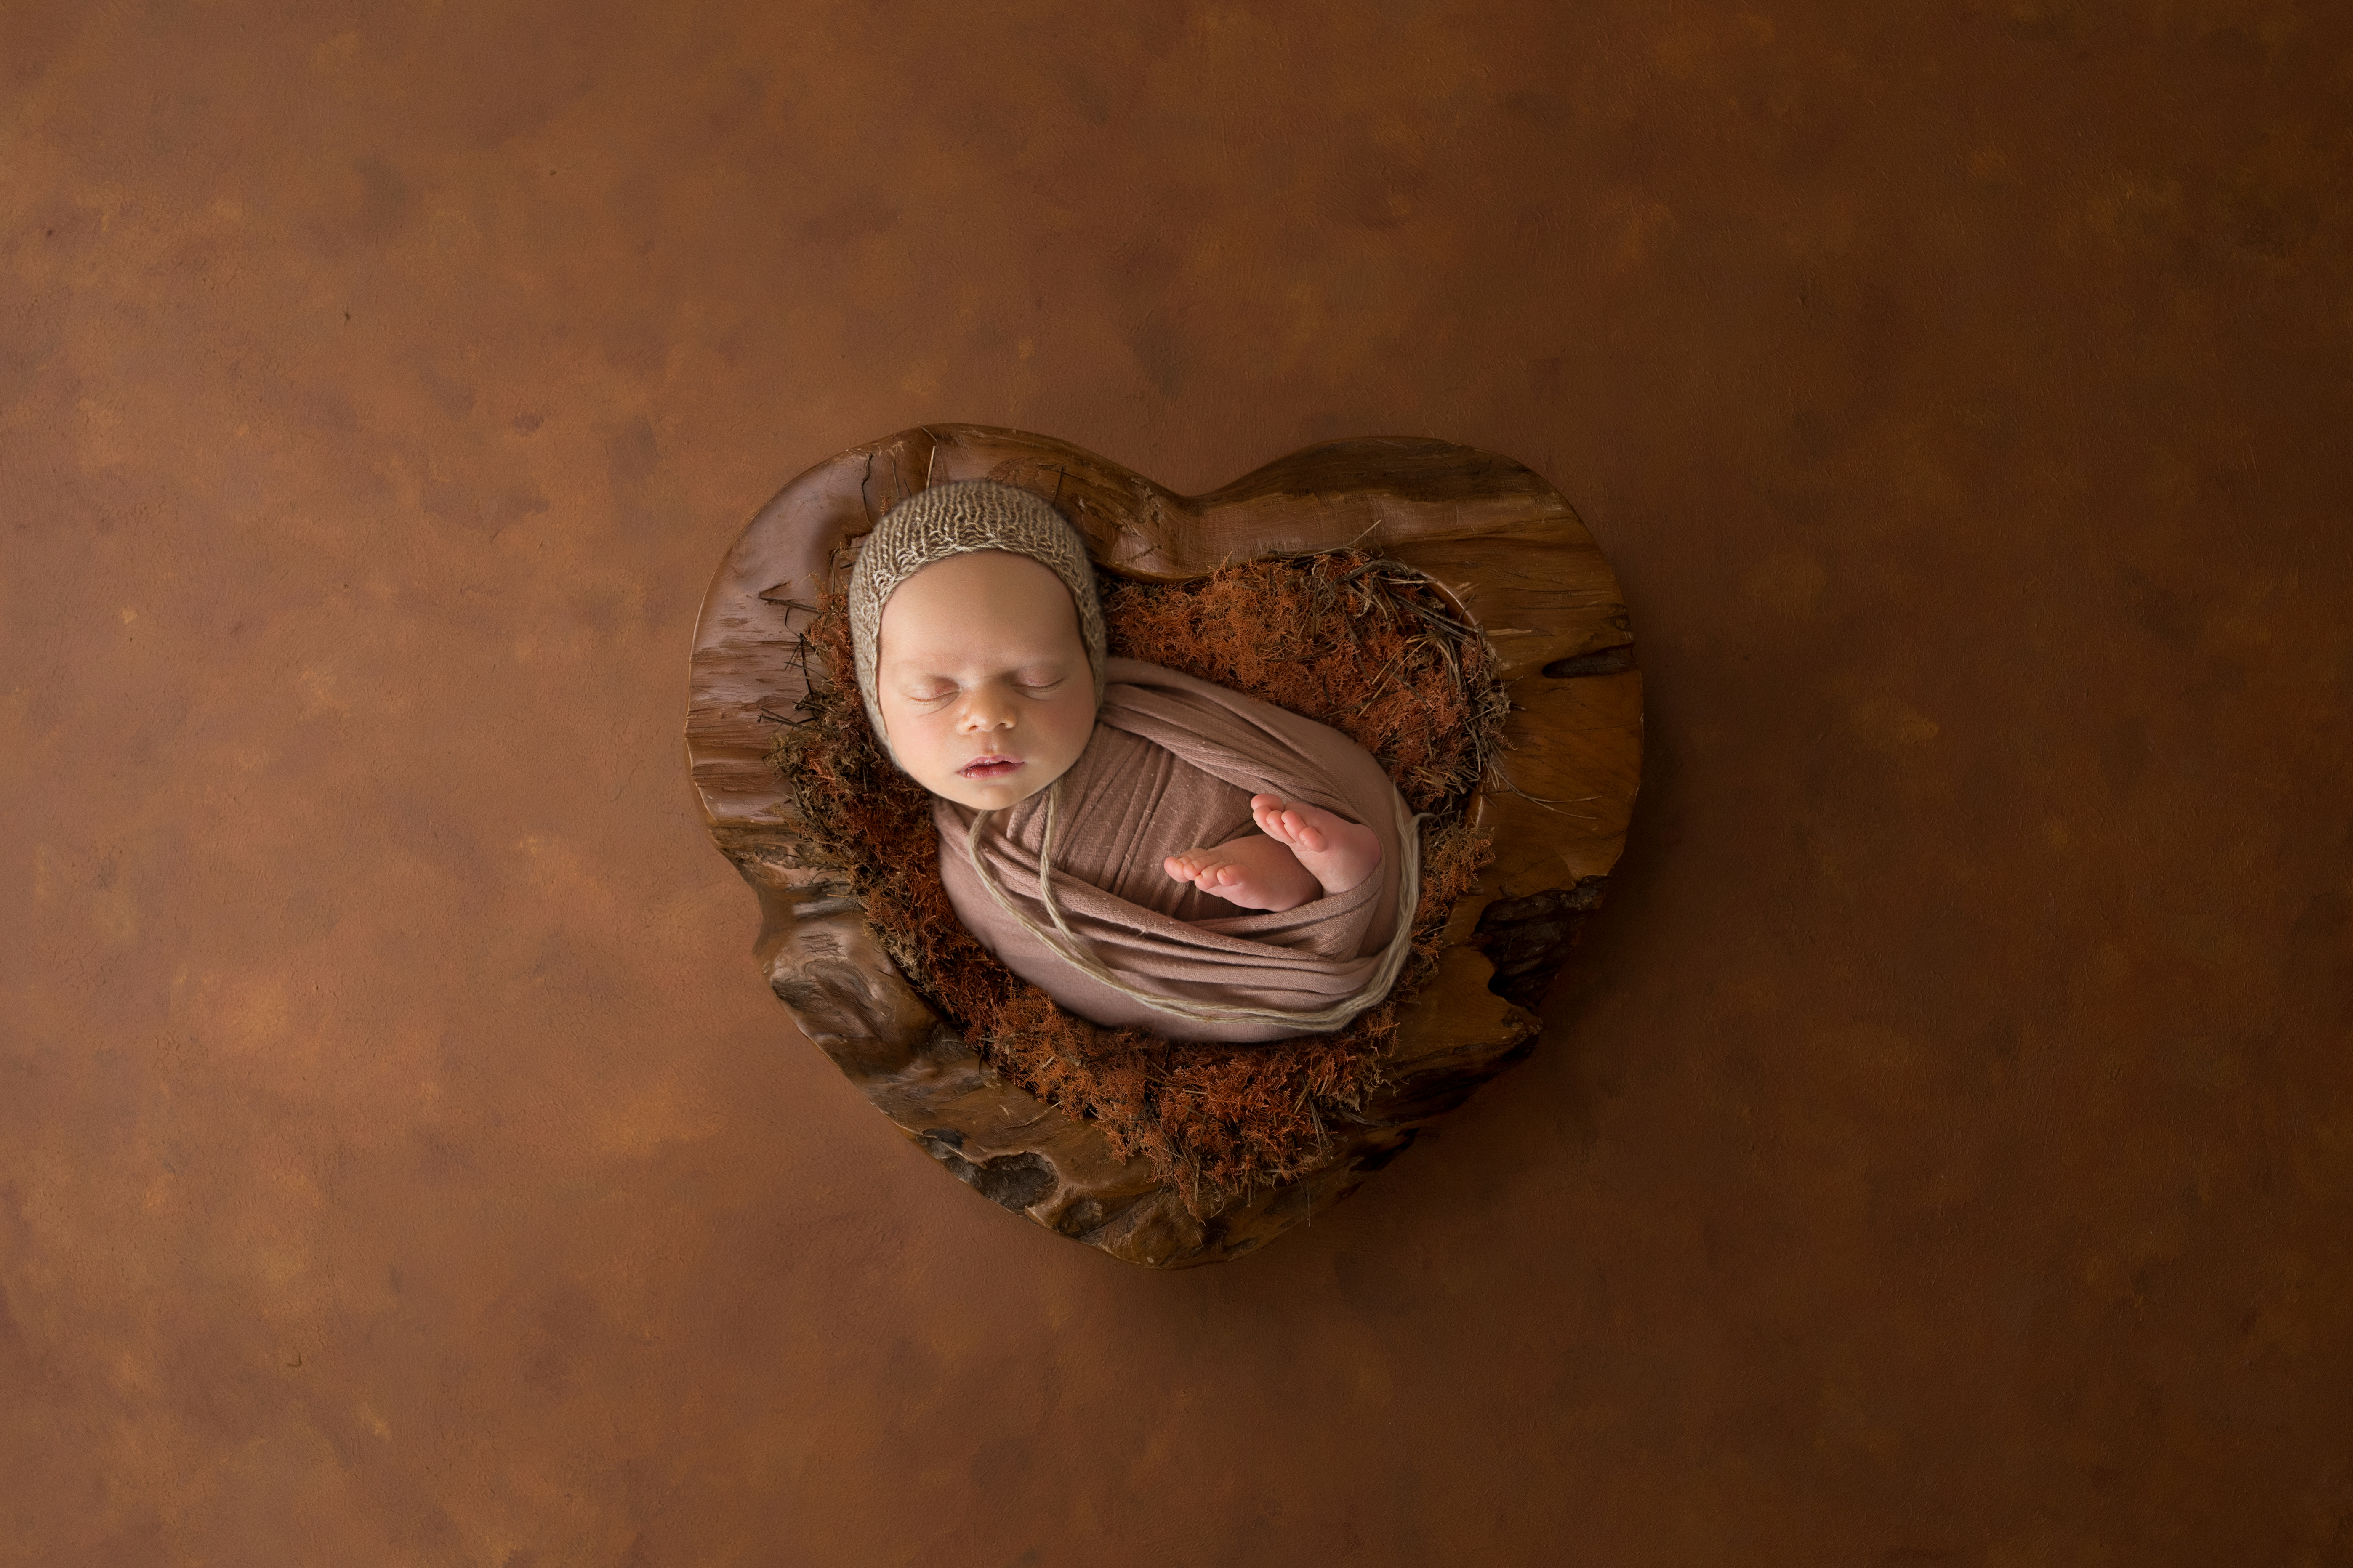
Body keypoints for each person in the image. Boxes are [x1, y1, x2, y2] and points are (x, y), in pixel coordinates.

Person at [848, 479, 1420, 1044]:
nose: (988, 716)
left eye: (1037, 678)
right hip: (1223, 955)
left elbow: (1238, 740)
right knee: (1228, 881)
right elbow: (1090, 979)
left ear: (1092, 667)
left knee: (1275, 815)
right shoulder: (973, 875)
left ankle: (1319, 869)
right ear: (878, 703)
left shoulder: (1140, 711)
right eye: (932, 691)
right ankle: (1305, 894)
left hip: (1240, 806)